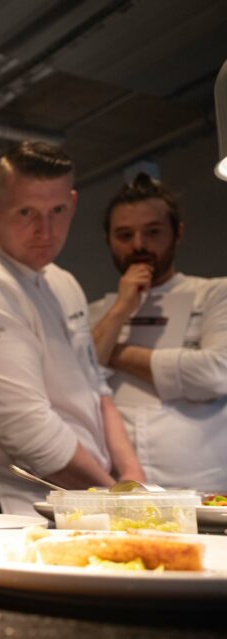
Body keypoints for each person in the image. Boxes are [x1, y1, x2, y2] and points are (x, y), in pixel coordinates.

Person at [0, 141, 144, 515]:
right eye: (27, 211)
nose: (45, 230)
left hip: (77, 500)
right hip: (4, 510)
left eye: (57, 211)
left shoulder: (63, 282)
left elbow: (96, 388)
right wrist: (118, 503)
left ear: (73, 203)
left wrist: (132, 480)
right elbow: (30, 432)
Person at [89, 174, 227, 490]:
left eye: (152, 232)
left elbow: (217, 373)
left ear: (177, 233)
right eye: (124, 235)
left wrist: (115, 352)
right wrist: (121, 309)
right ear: (108, 240)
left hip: (206, 485)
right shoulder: (97, 312)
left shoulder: (215, 294)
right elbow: (79, 383)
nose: (139, 245)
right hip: (121, 486)